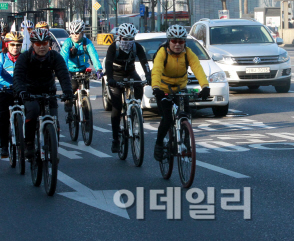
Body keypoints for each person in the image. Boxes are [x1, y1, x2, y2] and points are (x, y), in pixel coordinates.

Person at [151, 24, 210, 161]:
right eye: (174, 41)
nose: (177, 44)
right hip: (164, 89)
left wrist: (205, 86)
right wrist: (156, 88)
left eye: (181, 41)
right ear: (168, 41)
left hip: (180, 87)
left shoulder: (188, 53)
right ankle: (159, 144)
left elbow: (197, 69)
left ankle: (185, 138)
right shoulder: (162, 53)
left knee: (186, 114)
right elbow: (157, 70)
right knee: (166, 119)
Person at [13, 28, 73, 159]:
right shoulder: (25, 57)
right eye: (38, 44)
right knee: (33, 111)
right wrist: (22, 91)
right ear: (33, 45)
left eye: (45, 43)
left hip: (48, 91)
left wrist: (68, 91)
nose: (42, 47)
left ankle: (53, 146)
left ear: (49, 44)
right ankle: (29, 144)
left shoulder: (54, 57)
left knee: (54, 118)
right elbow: (18, 76)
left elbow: (63, 74)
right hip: (30, 92)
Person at [104, 23, 151, 153]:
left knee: (139, 84)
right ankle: (115, 139)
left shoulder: (137, 47)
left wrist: (148, 75)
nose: (128, 42)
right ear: (120, 37)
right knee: (117, 107)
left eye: (131, 39)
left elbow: (144, 62)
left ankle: (136, 108)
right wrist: (110, 79)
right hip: (116, 75)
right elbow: (108, 63)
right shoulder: (114, 47)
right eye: (125, 39)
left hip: (130, 72)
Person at [0, 32, 23, 158]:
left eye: (18, 45)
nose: (15, 47)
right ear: (7, 45)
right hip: (4, 91)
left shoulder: (25, 58)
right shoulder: (1, 58)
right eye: (12, 44)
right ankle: (4, 146)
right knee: (3, 118)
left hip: (21, 91)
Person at [61, 20, 103, 119]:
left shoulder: (86, 42)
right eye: (72, 33)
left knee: (85, 91)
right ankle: (69, 103)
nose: (75, 35)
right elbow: (63, 57)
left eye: (77, 33)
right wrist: (64, 71)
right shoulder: (68, 43)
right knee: (73, 86)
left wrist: (99, 69)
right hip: (71, 70)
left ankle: (86, 114)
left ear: (82, 32)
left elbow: (93, 55)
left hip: (83, 70)